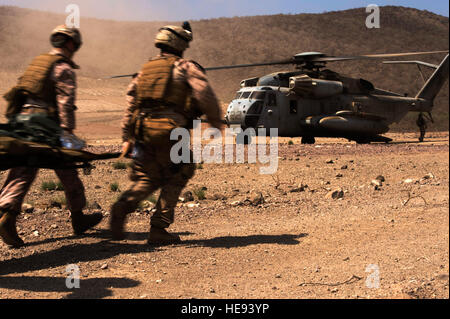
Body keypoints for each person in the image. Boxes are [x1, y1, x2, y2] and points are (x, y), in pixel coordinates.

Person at [110, 22, 223, 245]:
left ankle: (122, 206)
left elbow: (130, 106)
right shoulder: (185, 67)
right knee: (181, 170)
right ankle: (159, 227)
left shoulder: (144, 71)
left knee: (148, 178)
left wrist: (127, 138)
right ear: (181, 44)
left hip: (143, 132)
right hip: (171, 131)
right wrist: (216, 122)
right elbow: (204, 94)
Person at [0, 25, 103, 248]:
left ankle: (76, 217)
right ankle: (9, 216)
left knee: (26, 168)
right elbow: (65, 103)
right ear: (71, 44)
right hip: (45, 127)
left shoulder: (38, 63)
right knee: (62, 166)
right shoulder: (63, 68)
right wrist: (67, 134)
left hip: (23, 122)